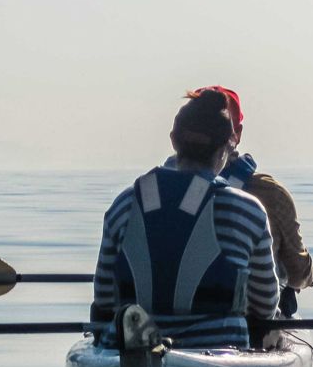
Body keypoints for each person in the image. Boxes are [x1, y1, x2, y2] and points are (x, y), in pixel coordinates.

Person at [90, 89, 279, 348]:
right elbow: (265, 305)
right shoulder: (248, 211)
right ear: (229, 144)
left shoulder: (125, 204)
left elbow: (104, 299)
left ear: (173, 140)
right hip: (219, 354)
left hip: (130, 353)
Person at [171, 86, 313, 315]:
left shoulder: (143, 200)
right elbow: (297, 274)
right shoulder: (265, 199)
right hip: (239, 330)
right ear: (233, 136)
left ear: (177, 138)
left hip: (160, 326)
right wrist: (312, 274)